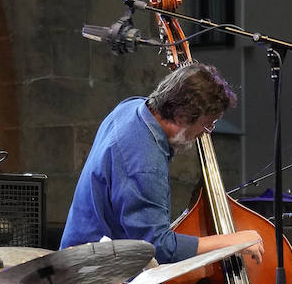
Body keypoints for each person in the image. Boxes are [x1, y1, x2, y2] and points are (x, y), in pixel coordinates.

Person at [60, 62, 264, 266]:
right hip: (97, 278)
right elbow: (156, 248)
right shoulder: (145, 163)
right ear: (181, 116)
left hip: (84, 258)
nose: (205, 133)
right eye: (207, 124)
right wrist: (234, 242)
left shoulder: (131, 107)